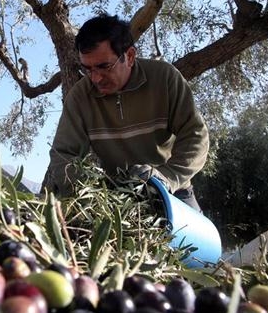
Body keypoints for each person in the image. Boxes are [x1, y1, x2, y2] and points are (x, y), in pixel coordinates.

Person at [43, 13, 209, 210]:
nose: (95, 78)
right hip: (115, 201)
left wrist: (168, 178)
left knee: (200, 241)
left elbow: (196, 135)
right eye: (87, 69)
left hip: (173, 191)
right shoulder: (79, 97)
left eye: (104, 66)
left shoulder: (164, 78)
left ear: (129, 56)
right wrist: (93, 195)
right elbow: (63, 154)